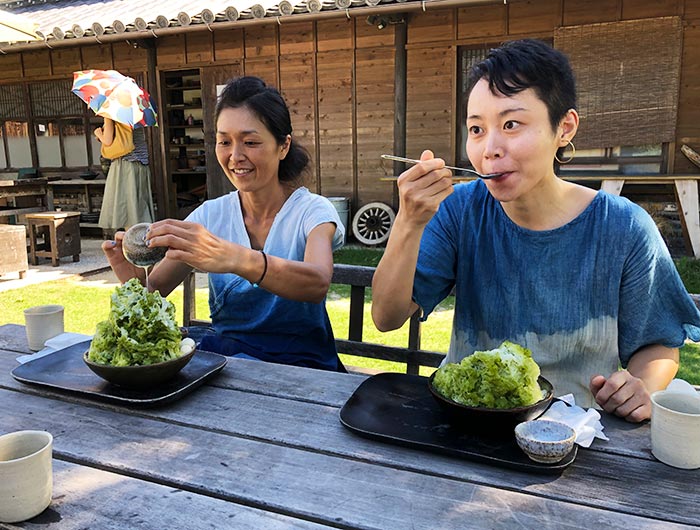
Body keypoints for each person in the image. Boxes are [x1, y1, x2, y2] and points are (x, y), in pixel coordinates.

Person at [371, 39, 700, 422]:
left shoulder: (624, 227)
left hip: (576, 435)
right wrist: (409, 222)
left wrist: (642, 385)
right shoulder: (460, 211)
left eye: (511, 124)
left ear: (564, 128)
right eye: (476, 129)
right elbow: (387, 316)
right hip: (468, 423)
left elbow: (659, 345)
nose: (489, 148)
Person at [102, 76, 345, 371]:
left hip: (302, 367)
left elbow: (317, 282)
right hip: (229, 366)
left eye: (251, 142)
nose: (235, 156)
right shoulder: (209, 216)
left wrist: (234, 257)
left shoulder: (312, 211)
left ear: (283, 147)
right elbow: (154, 289)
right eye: (224, 142)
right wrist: (132, 277)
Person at [95, 117, 155, 231]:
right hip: (141, 164)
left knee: (127, 209)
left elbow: (107, 141)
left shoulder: (111, 114)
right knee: (138, 208)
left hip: (125, 164)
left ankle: (130, 244)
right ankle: (140, 242)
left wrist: (98, 134)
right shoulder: (135, 113)